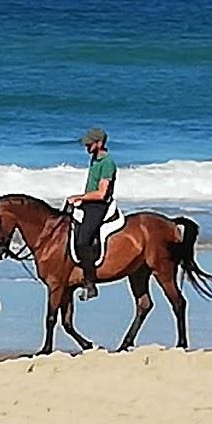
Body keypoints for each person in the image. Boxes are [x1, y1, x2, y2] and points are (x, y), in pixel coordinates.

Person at [67, 127, 118, 300]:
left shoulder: (107, 163)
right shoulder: (94, 159)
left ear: (100, 143)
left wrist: (80, 197)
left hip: (99, 206)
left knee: (82, 241)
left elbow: (102, 193)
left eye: (89, 144)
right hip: (89, 203)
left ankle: (90, 284)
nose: (86, 147)